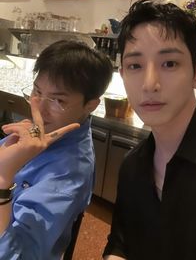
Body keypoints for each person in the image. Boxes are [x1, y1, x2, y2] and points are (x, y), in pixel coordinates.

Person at [103, 0, 196, 260]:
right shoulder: (133, 165)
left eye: (170, 64)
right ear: (122, 75)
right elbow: (120, 242)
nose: (149, 84)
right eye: (135, 66)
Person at [0, 40, 113, 259]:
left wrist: (3, 178)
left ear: (91, 105)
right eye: (37, 91)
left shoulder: (71, 170)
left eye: (58, 100)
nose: (39, 109)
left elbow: (17, 254)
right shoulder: (37, 133)